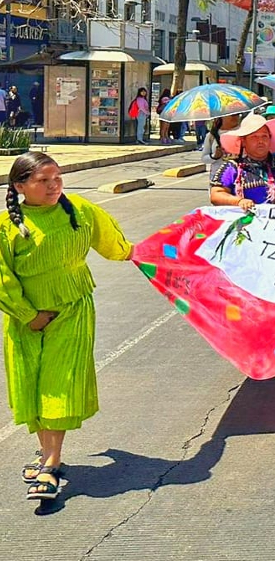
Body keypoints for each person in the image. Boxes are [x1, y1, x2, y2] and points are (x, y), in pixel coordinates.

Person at [1, 152, 133, 501]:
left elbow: (117, 247)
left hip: (73, 311)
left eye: (56, 178)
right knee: (32, 386)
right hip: (25, 320)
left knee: (58, 385)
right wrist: (29, 315)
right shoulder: (7, 226)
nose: (53, 186)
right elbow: (2, 280)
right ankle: (46, 452)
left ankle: (51, 464)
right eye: (43, 181)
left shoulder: (81, 212)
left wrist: (166, 253)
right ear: (19, 186)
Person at [209, 114, 275, 209]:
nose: (260, 141)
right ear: (243, 141)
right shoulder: (232, 168)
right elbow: (216, 194)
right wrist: (238, 201)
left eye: (264, 136)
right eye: (254, 137)